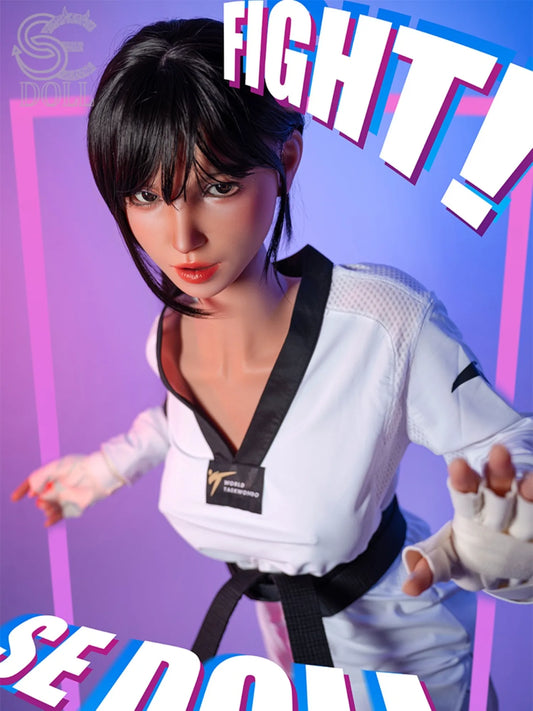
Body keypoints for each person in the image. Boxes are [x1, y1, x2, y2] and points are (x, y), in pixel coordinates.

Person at [12, 18, 533, 711]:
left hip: (412, 663)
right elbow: (177, 420)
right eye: (146, 195)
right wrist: (103, 470)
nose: (183, 236)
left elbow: (504, 445)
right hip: (285, 663)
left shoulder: (384, 323)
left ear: (286, 159)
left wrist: (509, 539)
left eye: (218, 185)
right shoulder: (167, 333)